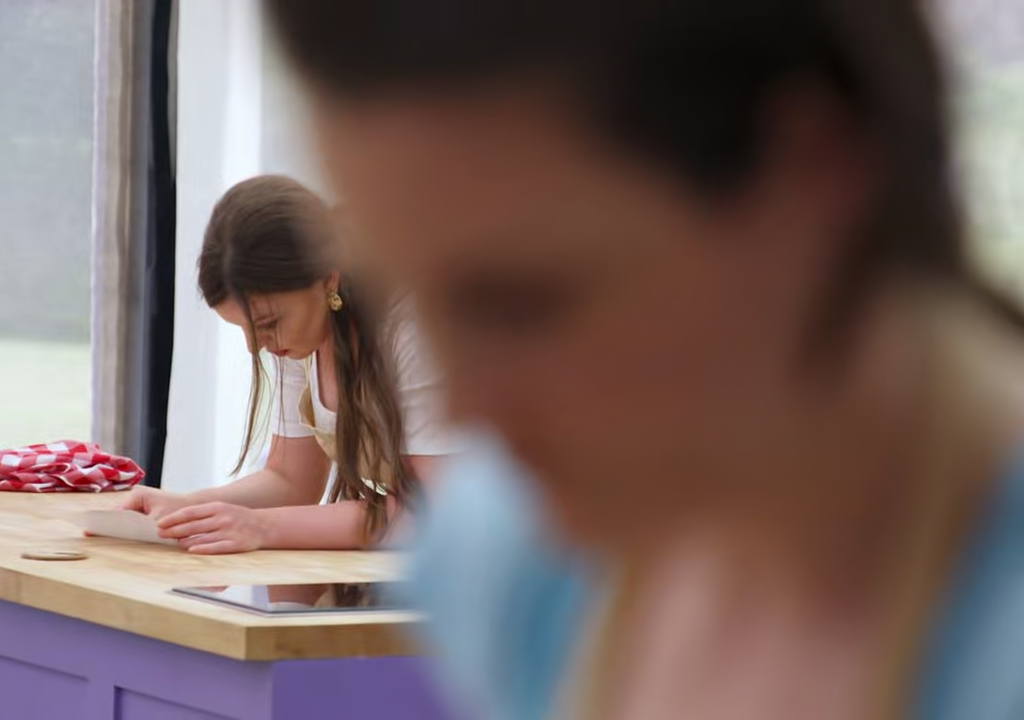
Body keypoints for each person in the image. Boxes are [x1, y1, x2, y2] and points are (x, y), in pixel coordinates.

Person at [264, 1, 1024, 718]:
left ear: (808, 171)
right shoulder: (505, 564)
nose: (465, 405)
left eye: (524, 305)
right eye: (416, 300)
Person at [124, 175, 454, 554]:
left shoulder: (414, 332)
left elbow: (432, 509)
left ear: (327, 280)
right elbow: (290, 481)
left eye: (267, 324)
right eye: (245, 330)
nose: (255, 348)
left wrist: (259, 526)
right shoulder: (304, 335)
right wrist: (188, 508)